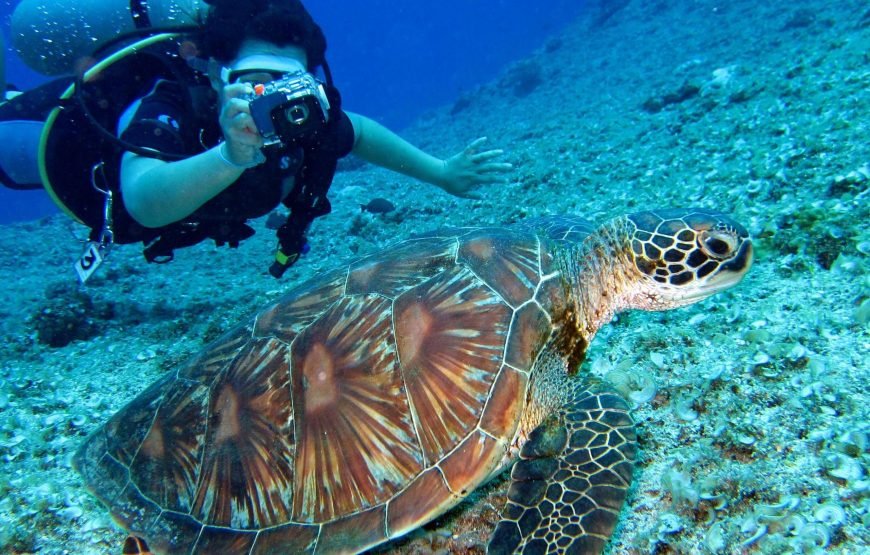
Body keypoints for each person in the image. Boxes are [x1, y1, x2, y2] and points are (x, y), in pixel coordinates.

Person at [0, 0, 512, 279]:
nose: (273, 100)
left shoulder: (307, 120)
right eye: (255, 82)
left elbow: (361, 133)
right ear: (214, 74)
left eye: (289, 84)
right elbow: (144, 201)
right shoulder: (174, 101)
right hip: (67, 159)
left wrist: (441, 172)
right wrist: (229, 156)